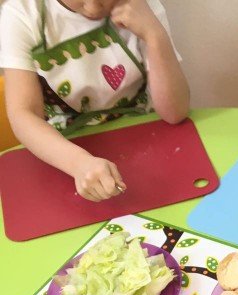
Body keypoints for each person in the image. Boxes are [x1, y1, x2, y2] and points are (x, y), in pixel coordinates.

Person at [0, 0, 189, 201]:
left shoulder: (142, 6)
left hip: (147, 142)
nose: (93, 7)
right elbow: (24, 115)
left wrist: (154, 34)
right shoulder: (22, 15)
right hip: (63, 154)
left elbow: (175, 112)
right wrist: (78, 163)